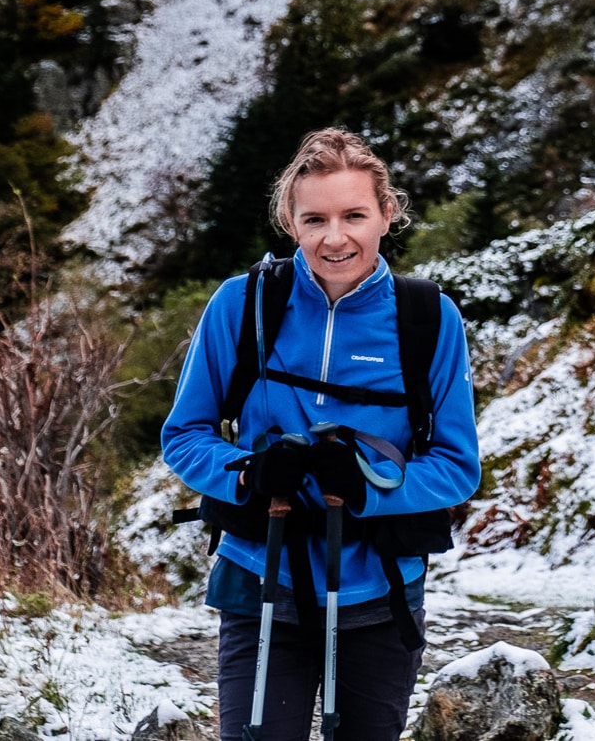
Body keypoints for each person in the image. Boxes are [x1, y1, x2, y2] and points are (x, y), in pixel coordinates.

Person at [161, 127, 481, 741]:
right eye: (315, 219)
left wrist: (370, 487)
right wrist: (247, 472)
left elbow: (456, 466)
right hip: (258, 578)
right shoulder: (243, 304)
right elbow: (186, 434)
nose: (335, 238)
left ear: (387, 215)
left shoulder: (428, 319)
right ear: (291, 221)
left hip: (381, 590)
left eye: (354, 215)